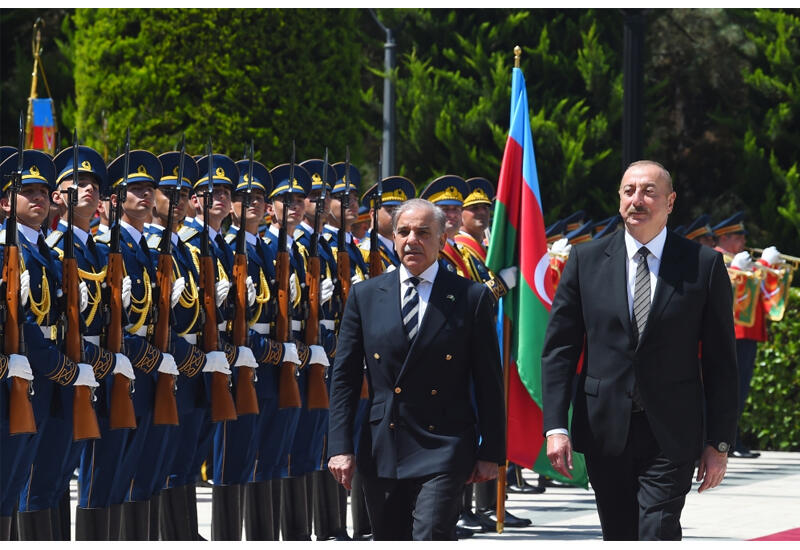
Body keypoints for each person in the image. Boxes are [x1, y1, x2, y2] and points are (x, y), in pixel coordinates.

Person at [542, 160, 739, 541]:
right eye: (629, 191)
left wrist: (719, 442)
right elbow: (560, 350)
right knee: (618, 533)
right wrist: (555, 427)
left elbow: (721, 362)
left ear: (670, 201)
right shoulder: (585, 261)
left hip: (672, 431)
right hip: (604, 428)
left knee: (658, 529)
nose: (637, 200)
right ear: (619, 199)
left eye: (649, 191)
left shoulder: (703, 265)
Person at [327, 198, 505, 540]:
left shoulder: (470, 296)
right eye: (404, 232)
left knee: (432, 533)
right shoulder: (365, 296)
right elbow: (345, 378)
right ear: (393, 238)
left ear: (441, 240)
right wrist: (339, 446)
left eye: (423, 233)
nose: (412, 240)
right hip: (384, 444)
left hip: (445, 443)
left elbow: (488, 381)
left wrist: (491, 451)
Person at [713, 212, 763, 459]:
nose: (744, 242)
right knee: (729, 389)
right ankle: (727, 440)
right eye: (739, 237)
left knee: (740, 389)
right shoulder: (717, 259)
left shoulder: (737, 260)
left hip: (747, 332)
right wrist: (735, 270)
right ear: (724, 238)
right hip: (732, 332)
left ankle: (733, 438)